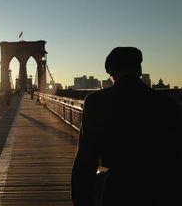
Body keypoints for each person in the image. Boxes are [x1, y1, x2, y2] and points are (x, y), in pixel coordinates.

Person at [71, 47, 181, 206]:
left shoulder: (96, 102)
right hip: (158, 188)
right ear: (139, 70)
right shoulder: (168, 104)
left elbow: (86, 157)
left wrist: (80, 198)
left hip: (115, 189)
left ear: (111, 73)